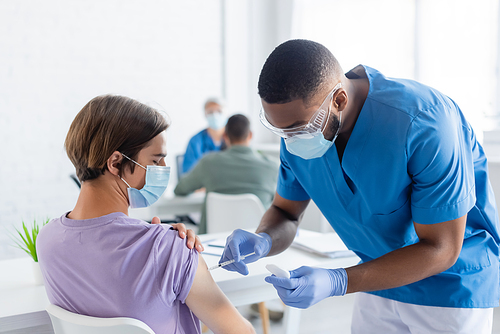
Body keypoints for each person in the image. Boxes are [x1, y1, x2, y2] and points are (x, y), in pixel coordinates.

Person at [218, 39, 500, 333]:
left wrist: (339, 281)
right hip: (378, 279)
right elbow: (285, 213)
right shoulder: (300, 132)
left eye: (298, 128)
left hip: (450, 288)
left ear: (338, 100)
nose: (290, 140)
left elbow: (442, 248)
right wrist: (263, 240)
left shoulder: (424, 121)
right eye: (280, 130)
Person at [37, 95, 255, 334]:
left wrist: (158, 239)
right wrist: (170, 247)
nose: (162, 170)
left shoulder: (47, 241)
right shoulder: (171, 248)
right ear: (115, 162)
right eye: (156, 160)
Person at [175, 114, 279, 234]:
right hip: (256, 240)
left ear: (225, 136)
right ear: (250, 135)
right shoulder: (272, 167)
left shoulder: (208, 163)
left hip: (212, 241)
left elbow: (180, 189)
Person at [182, 98, 227, 174]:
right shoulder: (195, 141)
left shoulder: (234, 139)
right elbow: (188, 174)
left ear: (226, 113)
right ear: (205, 114)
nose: (215, 116)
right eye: (210, 112)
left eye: (219, 111)